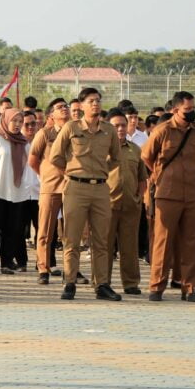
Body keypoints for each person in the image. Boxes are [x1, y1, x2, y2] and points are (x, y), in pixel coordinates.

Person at [140, 91, 195, 302]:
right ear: (175, 110)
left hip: (193, 192)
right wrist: (160, 173)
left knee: (191, 241)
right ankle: (157, 286)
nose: (191, 113)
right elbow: (146, 156)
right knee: (163, 241)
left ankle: (188, 287)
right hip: (168, 193)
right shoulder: (163, 130)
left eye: (193, 109)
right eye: (187, 109)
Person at [49, 88, 122, 302]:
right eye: (91, 101)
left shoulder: (108, 130)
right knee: (72, 239)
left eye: (98, 100)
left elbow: (116, 158)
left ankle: (101, 285)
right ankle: (70, 282)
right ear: (81, 105)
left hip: (100, 188)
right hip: (75, 187)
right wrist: (70, 172)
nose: (95, 104)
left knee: (101, 240)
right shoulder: (71, 127)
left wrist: (101, 171)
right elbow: (55, 156)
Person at [0, 109, 37, 275]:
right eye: (14, 121)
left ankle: (7, 262)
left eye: (20, 122)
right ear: (5, 121)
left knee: (12, 228)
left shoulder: (24, 143)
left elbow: (28, 166)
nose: (17, 125)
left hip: (16, 191)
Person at [105, 108, 148, 294]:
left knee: (129, 247)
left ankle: (131, 283)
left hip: (130, 205)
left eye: (123, 125)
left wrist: (139, 198)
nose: (121, 129)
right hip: (106, 206)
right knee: (104, 247)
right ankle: (102, 282)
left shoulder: (135, 149)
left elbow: (142, 178)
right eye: (116, 126)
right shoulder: (101, 149)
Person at [29, 98, 68, 284]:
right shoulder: (45, 133)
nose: (64, 109)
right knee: (45, 231)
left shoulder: (76, 132)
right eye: (60, 107)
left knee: (71, 233)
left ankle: (71, 270)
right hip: (51, 188)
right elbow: (33, 160)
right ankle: (43, 269)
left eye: (66, 106)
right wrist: (46, 175)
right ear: (51, 115)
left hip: (72, 187)